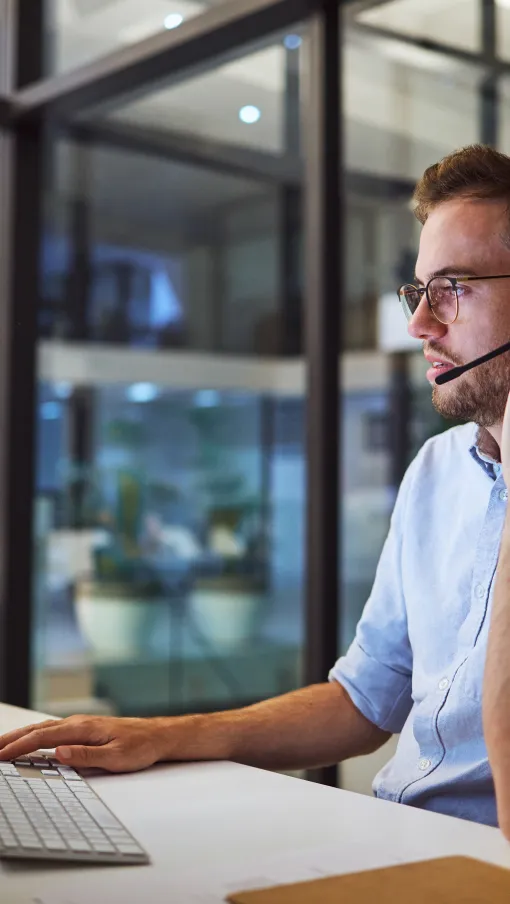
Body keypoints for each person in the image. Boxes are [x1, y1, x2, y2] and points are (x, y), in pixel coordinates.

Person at [3, 143, 510, 840]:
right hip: (397, 837)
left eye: (454, 287)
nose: (421, 325)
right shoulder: (435, 471)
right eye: (418, 292)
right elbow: (366, 701)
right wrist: (167, 736)